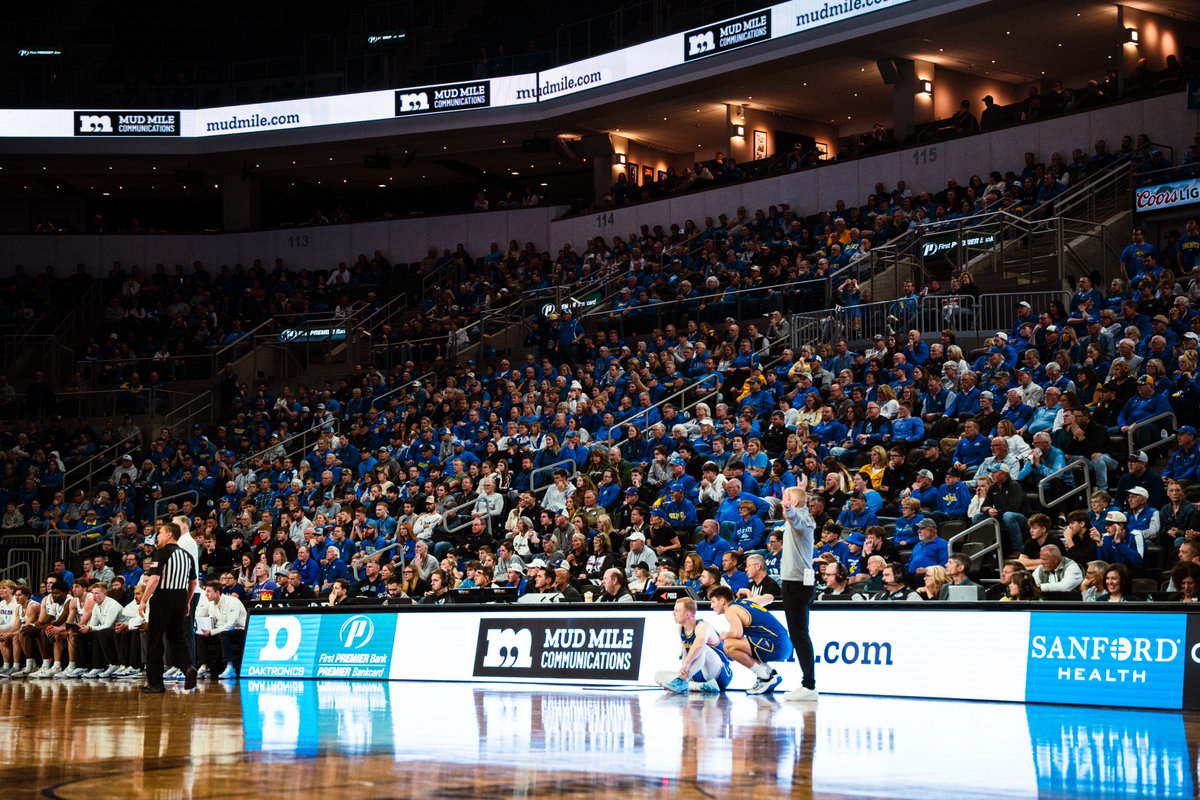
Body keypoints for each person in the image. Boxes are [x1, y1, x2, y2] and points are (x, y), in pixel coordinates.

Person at [139, 521, 199, 692]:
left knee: (155, 639)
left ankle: (155, 683)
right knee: (177, 637)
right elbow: (193, 582)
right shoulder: (187, 555)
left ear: (169, 535)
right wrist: (187, 602)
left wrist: (143, 600)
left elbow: (155, 579)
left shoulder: (161, 553)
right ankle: (188, 666)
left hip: (163, 597)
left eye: (160, 533)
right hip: (180, 597)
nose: (158, 536)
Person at [707, 585, 792, 695]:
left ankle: (765, 677)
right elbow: (769, 597)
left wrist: (725, 635)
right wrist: (748, 592)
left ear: (722, 601)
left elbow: (737, 633)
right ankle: (769, 673)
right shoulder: (747, 602)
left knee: (729, 645)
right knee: (739, 644)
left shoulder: (731, 610)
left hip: (776, 645)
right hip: (784, 643)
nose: (711, 606)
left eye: (713, 602)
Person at [777, 485, 818, 702]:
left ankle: (808, 686)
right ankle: (808, 684)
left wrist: (789, 508)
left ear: (792, 502)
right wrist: (797, 496)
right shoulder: (800, 516)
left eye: (787, 498)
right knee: (799, 634)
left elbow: (795, 518)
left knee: (800, 634)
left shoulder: (802, 519)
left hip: (797, 584)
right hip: (795, 582)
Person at [654, 596, 733, 694]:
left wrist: (686, 665)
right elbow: (685, 653)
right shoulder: (681, 629)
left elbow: (698, 646)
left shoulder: (703, 626)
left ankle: (683, 683)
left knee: (702, 648)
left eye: (677, 611)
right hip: (698, 675)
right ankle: (700, 686)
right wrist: (682, 669)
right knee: (658, 676)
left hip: (720, 674)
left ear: (687, 614)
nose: (673, 613)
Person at [195, 583, 247, 680]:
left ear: (217, 592)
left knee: (223, 634)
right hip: (222, 631)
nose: (206, 594)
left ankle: (230, 667)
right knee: (202, 635)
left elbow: (231, 625)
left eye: (208, 591)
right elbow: (212, 621)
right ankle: (204, 666)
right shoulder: (211, 604)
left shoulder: (232, 602)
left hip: (239, 631)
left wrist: (212, 631)